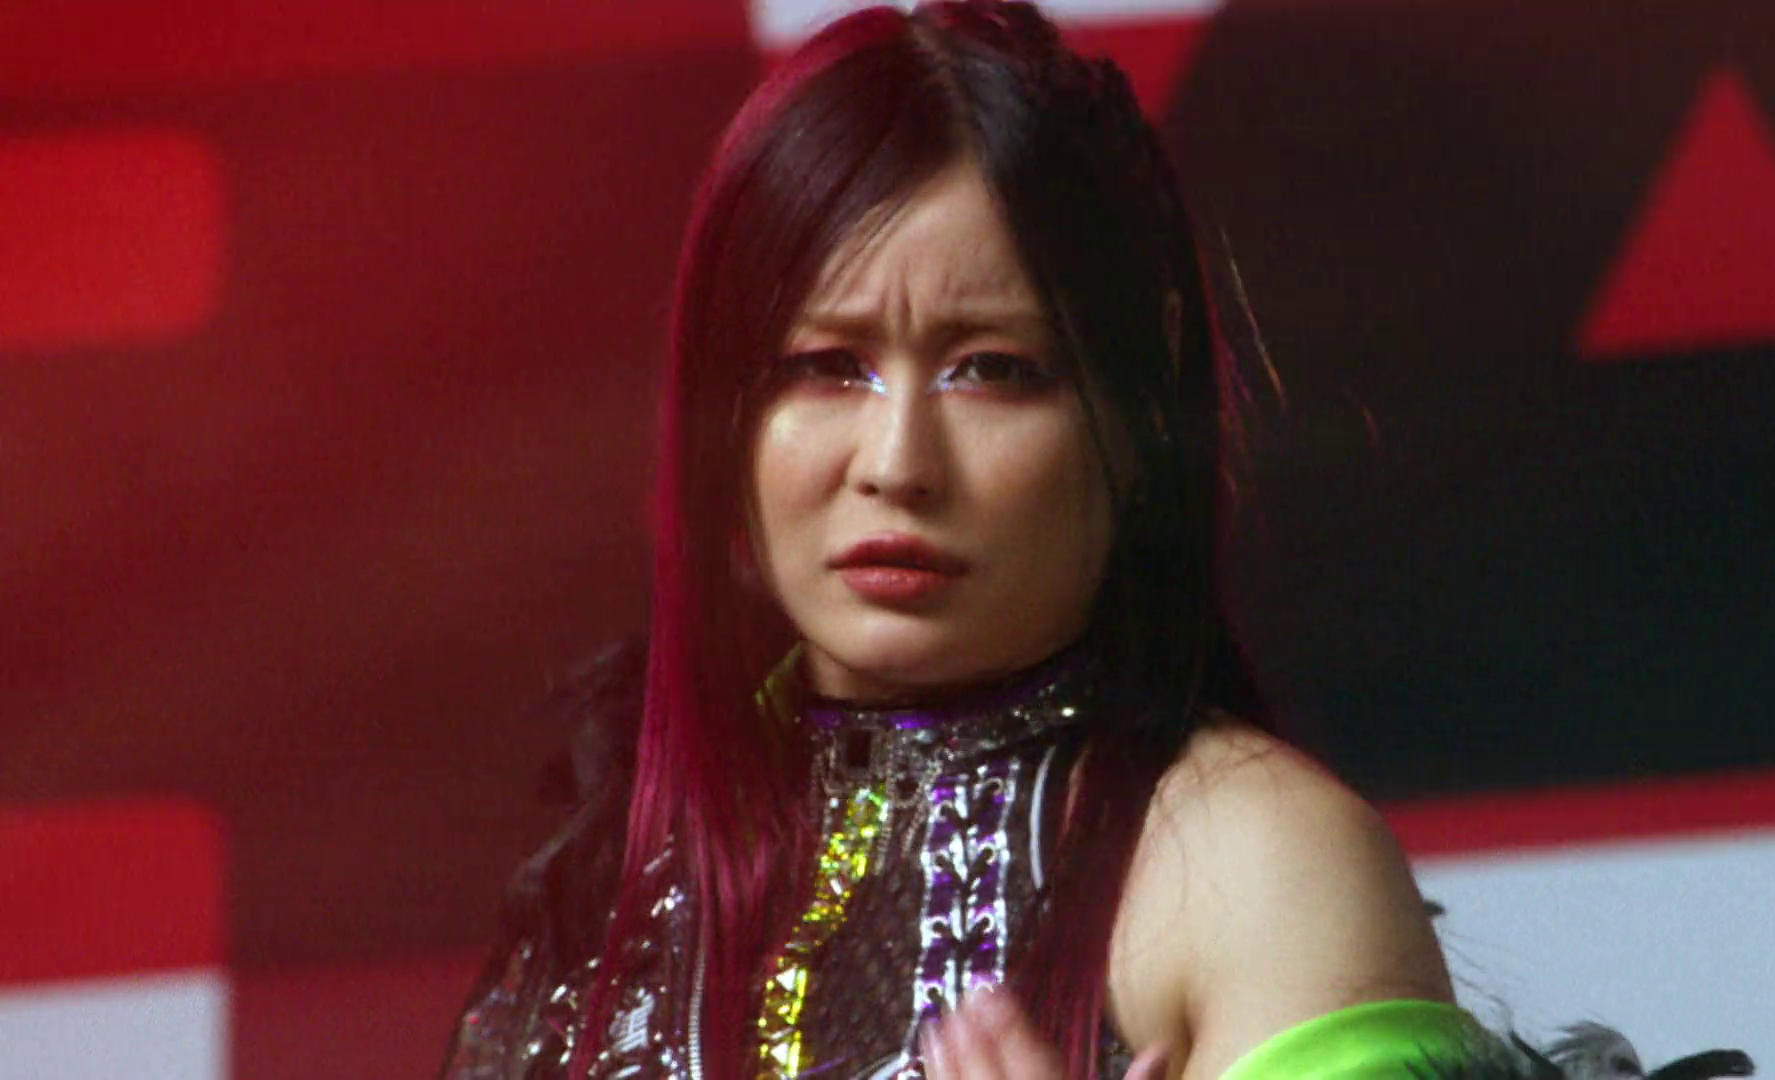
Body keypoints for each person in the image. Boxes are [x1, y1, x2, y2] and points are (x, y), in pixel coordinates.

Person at [441, 3, 1478, 1078]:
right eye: (825, 366)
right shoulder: (609, 881)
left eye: (991, 369)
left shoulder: (1262, 870)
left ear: (1137, 401)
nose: (898, 463)